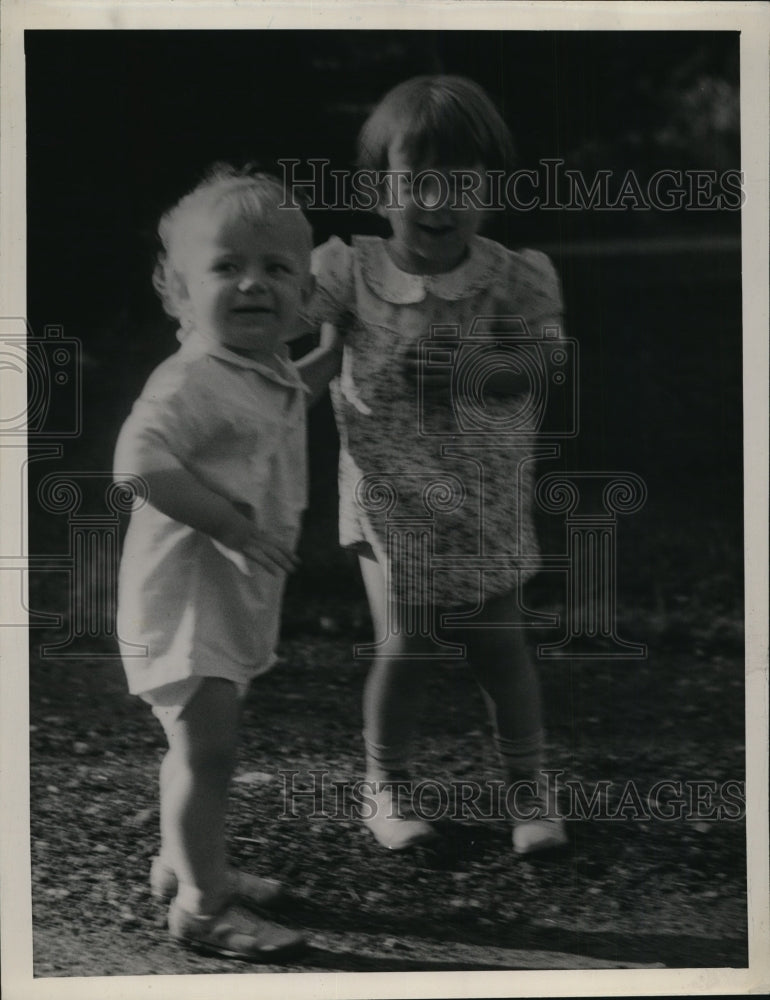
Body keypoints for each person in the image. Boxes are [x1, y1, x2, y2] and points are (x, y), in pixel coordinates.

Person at [301, 75, 568, 854]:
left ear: (491, 190)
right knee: (409, 641)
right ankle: (386, 787)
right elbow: (303, 350)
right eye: (418, 181)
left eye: (461, 181)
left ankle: (529, 793)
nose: (438, 201)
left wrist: (479, 367)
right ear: (379, 189)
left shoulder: (513, 276)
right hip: (388, 498)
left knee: (500, 647)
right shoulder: (350, 272)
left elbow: (548, 366)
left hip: (487, 499)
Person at [114, 166, 341, 961]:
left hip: (217, 600)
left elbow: (280, 404)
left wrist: (329, 357)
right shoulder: (191, 379)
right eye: (226, 268)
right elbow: (137, 461)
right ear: (179, 291)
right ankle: (205, 908)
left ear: (305, 292)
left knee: (196, 749)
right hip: (184, 604)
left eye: (277, 269)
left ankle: (188, 862)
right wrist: (232, 528)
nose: (253, 284)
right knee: (208, 753)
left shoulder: (260, 368)